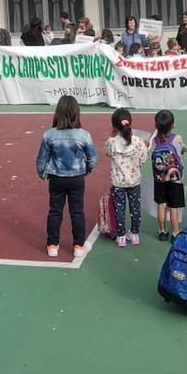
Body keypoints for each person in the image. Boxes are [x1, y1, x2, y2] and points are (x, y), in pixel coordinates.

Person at [36, 95, 97, 258]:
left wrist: (42, 173)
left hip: (56, 178)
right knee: (77, 212)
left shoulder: (49, 135)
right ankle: (78, 246)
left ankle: (52, 245)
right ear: (77, 113)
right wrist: (87, 170)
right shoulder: (84, 135)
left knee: (55, 211)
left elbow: (42, 158)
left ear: (58, 113)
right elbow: (93, 158)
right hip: (77, 178)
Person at [104, 108, 148, 248]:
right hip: (134, 181)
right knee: (135, 209)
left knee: (119, 209)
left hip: (118, 183)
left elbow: (107, 153)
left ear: (115, 126)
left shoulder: (111, 142)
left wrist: (112, 136)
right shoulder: (138, 142)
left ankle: (121, 236)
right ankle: (134, 234)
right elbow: (143, 159)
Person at [148, 109, 187, 241]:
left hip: (159, 180)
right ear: (173, 125)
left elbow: (152, 154)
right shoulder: (177, 138)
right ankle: (176, 232)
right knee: (174, 207)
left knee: (162, 205)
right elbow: (183, 150)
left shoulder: (154, 141)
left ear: (156, 126)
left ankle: (162, 231)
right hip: (175, 180)